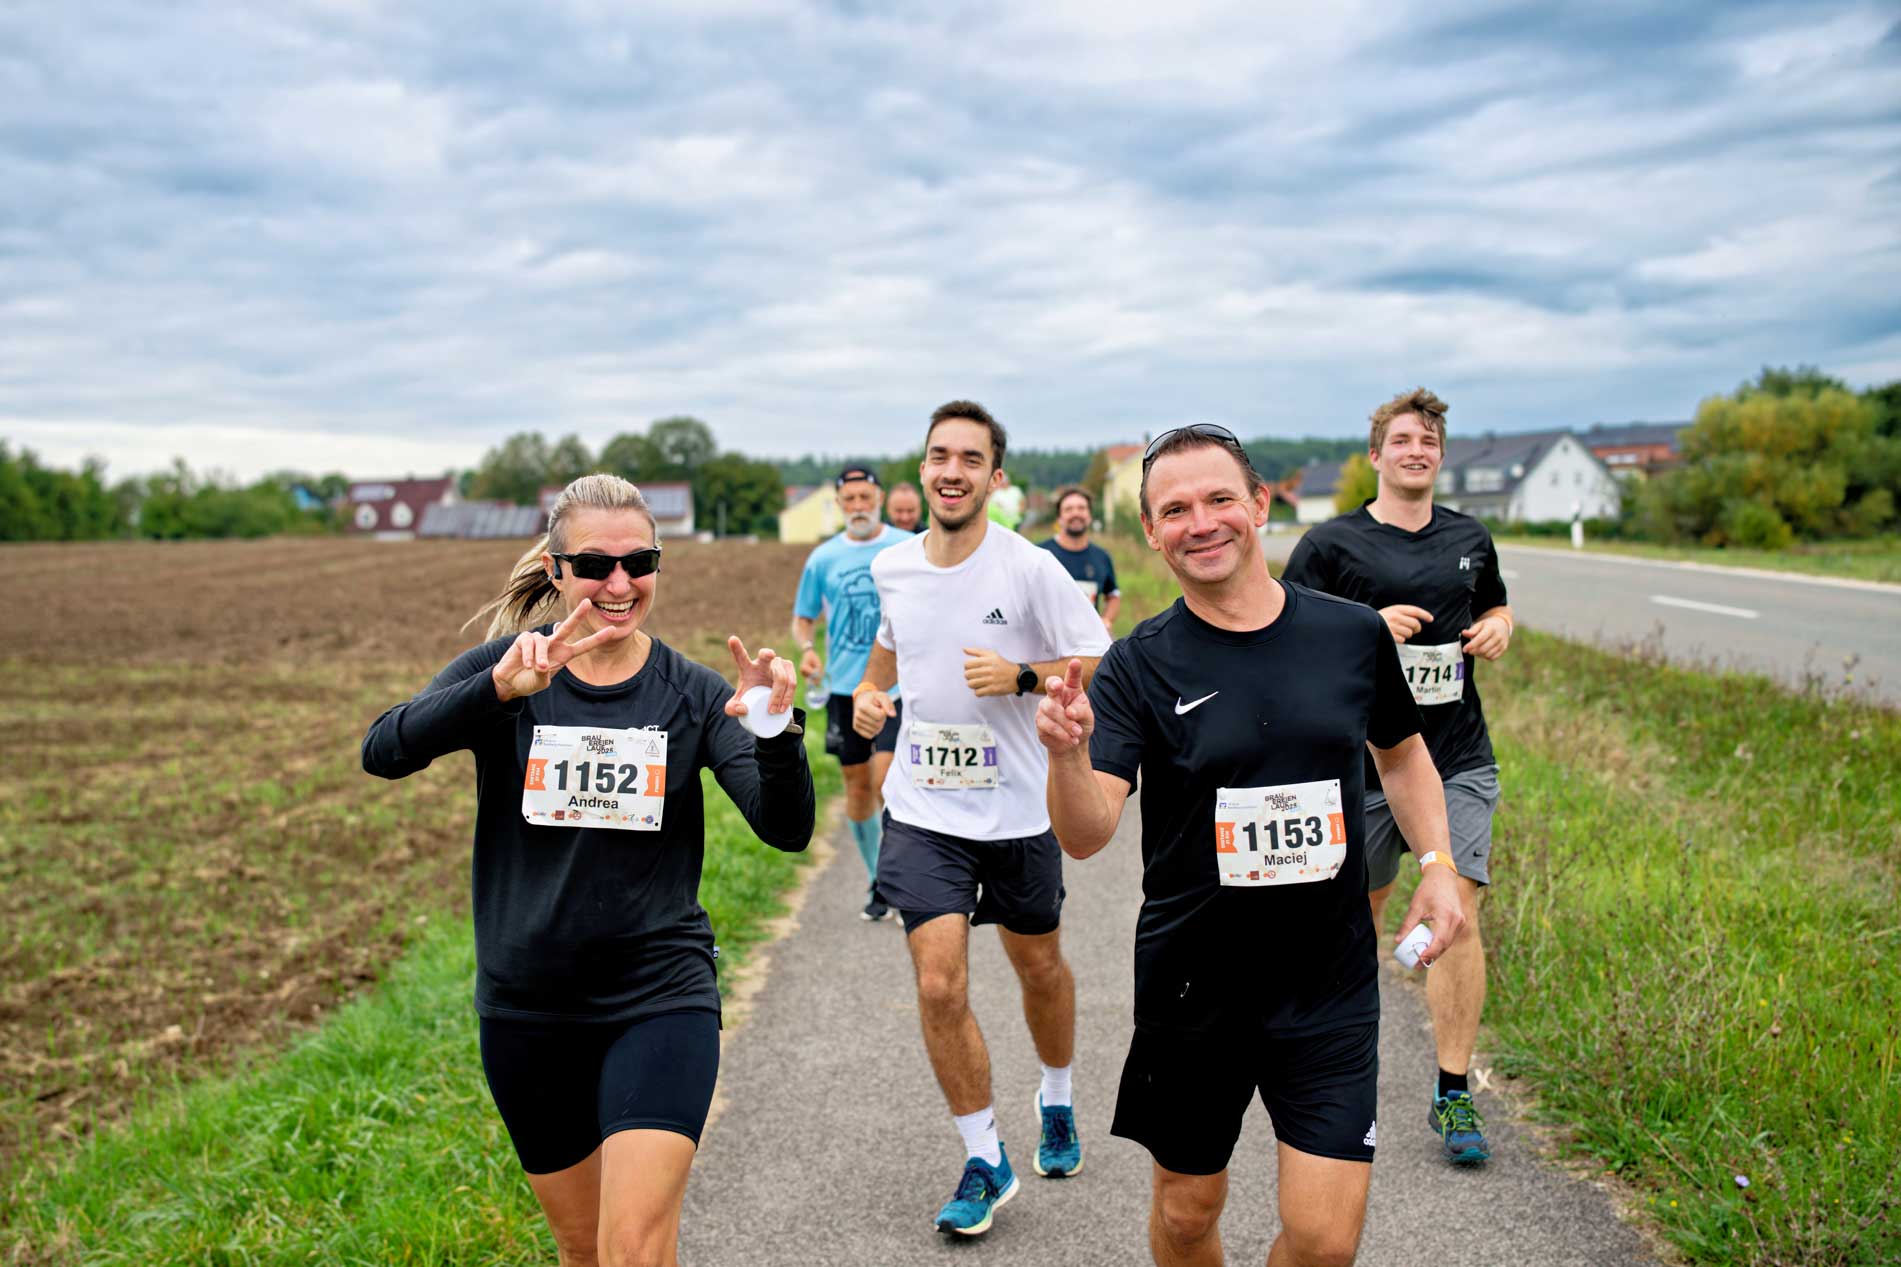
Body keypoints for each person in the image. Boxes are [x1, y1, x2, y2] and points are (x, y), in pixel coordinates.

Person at [1036, 425, 1466, 1267]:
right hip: (1193, 985)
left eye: (1218, 499)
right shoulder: (1135, 666)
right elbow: (1085, 835)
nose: (1200, 523)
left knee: (1324, 1242)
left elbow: (1401, 753)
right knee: (1186, 1213)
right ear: (1151, 532)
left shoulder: (1351, 635)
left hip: (1327, 983)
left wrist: (1437, 864)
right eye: (1174, 510)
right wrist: (1065, 756)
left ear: (1259, 504)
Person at [362, 474, 814, 1267]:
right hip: (527, 1008)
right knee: (584, 1250)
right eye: (595, 565)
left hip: (657, 996)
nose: (618, 582)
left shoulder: (693, 693)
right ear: (555, 567)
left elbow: (785, 827)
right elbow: (384, 749)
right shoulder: (508, 668)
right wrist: (495, 691)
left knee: (630, 1248)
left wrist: (776, 735)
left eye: (639, 562)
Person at [850, 401, 1112, 1237]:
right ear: (922, 469)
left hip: (1018, 811)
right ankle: (984, 1154)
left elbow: (1098, 661)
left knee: (1040, 969)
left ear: (994, 477)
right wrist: (869, 693)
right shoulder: (892, 566)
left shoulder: (1030, 569)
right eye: (940, 455)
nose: (952, 471)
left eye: (970, 458)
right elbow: (889, 649)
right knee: (938, 981)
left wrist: (1024, 677)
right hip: (923, 809)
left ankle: (1057, 1096)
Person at [1282, 388, 1512, 1166]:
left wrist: (1498, 627)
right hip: (1363, 764)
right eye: (1404, 439)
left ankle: (1452, 1091)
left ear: (1440, 456)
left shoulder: (1469, 536)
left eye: (1429, 441)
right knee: (1361, 921)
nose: (1417, 450)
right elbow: (1287, 636)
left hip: (1455, 756)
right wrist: (1365, 631)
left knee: (1459, 911)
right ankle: (1338, 1069)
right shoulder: (1330, 544)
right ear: (1375, 455)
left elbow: (1496, 606)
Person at [792, 464, 912, 920]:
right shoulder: (822, 559)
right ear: (840, 505)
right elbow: (804, 618)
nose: (858, 507)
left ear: (879, 499)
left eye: (865, 498)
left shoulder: (905, 547)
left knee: (887, 780)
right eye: (850, 500)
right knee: (858, 787)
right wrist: (807, 650)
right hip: (844, 689)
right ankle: (878, 881)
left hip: (894, 687)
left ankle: (904, 877)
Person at [1037, 485, 1121, 633]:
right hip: (1047, 641)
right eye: (1068, 509)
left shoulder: (1102, 557)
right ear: (1059, 518)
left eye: (1081, 508)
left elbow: (1113, 595)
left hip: (1088, 640)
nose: (1076, 513)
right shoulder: (1040, 554)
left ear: (1089, 515)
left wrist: (1106, 620)